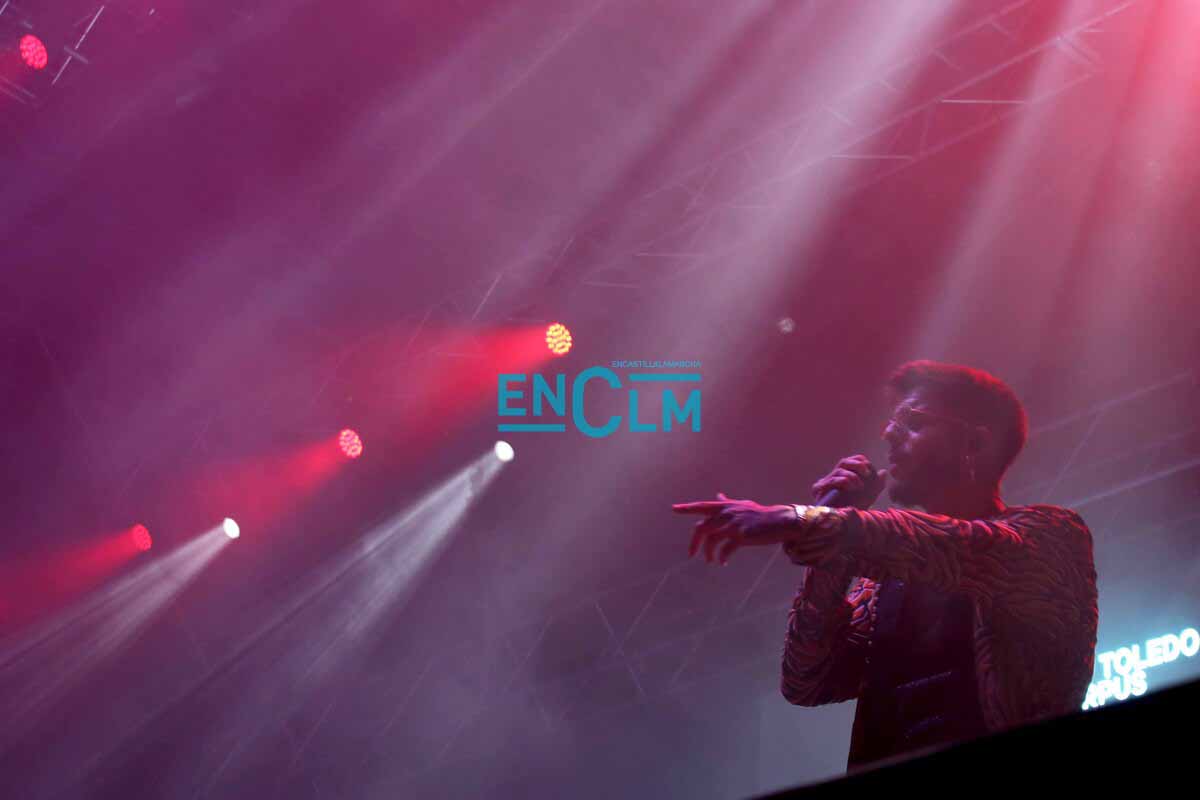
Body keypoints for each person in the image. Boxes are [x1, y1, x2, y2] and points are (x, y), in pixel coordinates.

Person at [672, 360, 1098, 770]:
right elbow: (806, 680)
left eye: (914, 421)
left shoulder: (1049, 536)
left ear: (975, 443)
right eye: (891, 423)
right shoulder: (883, 583)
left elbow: (955, 547)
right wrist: (832, 544)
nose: (889, 435)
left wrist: (799, 519)